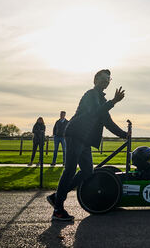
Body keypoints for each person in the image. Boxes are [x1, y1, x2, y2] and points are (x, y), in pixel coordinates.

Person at [47, 69, 128, 221]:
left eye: (108, 80)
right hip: (75, 134)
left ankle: (57, 197)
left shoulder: (102, 100)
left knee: (87, 171)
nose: (106, 81)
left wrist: (124, 134)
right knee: (70, 170)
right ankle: (58, 209)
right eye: (103, 78)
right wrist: (114, 101)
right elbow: (94, 113)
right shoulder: (90, 95)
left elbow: (107, 122)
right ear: (95, 80)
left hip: (84, 140)